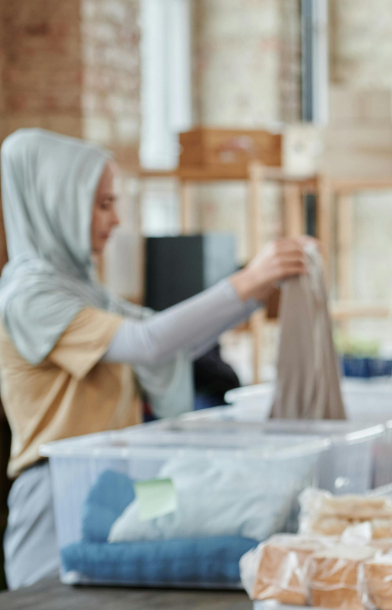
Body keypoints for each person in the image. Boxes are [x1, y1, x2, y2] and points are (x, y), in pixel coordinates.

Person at [0, 128, 311, 589]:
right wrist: (248, 280)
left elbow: (173, 340)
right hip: (59, 496)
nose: (118, 220)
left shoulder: (84, 290)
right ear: (56, 201)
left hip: (126, 479)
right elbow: (148, 343)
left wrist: (262, 289)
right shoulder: (29, 295)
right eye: (103, 204)